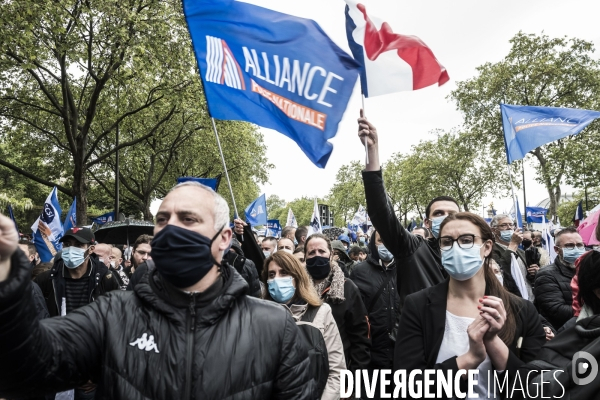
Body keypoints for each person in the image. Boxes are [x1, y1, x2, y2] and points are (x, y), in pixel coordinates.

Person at [0, 182, 315, 399]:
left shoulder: (274, 327)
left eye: (188, 219)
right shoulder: (114, 314)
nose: (170, 227)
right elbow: (26, 369)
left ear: (223, 238)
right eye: (163, 219)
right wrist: (7, 283)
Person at [395, 212, 546, 399]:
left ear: (487, 247)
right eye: (447, 242)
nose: (456, 248)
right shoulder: (418, 305)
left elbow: (535, 387)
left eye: (466, 240)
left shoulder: (522, 309)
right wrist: (469, 359)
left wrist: (492, 341)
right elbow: (408, 386)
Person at [358, 113, 459, 310]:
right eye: (439, 213)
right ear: (427, 223)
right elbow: (382, 213)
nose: (446, 218)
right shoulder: (414, 249)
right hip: (424, 338)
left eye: (452, 214)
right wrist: (372, 150)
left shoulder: (476, 253)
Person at [262, 251, 345, 400]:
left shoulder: (321, 312)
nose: (277, 279)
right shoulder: (259, 316)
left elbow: (336, 371)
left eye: (284, 273)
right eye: (272, 275)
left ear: (297, 276)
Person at [303, 233, 371, 371]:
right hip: (305, 368)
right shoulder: (297, 287)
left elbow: (361, 336)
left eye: (322, 251)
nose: (317, 255)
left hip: (340, 368)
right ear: (305, 256)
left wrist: (354, 378)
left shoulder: (347, 287)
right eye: (312, 252)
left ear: (331, 254)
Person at [350, 230, 400, 376]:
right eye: (381, 240)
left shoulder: (406, 268)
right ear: (373, 243)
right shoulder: (359, 271)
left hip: (400, 353)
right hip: (372, 354)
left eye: (390, 240)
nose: (386, 244)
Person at [534, 227, 586, 331]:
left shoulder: (589, 270)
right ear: (557, 250)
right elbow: (556, 310)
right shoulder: (546, 275)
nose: (576, 249)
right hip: (564, 333)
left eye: (579, 245)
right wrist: (592, 309)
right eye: (569, 246)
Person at [489, 214, 533, 300]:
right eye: (504, 225)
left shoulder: (521, 252)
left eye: (511, 224)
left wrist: (534, 272)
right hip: (512, 300)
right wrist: (513, 244)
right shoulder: (491, 251)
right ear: (494, 230)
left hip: (530, 299)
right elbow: (502, 270)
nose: (509, 227)